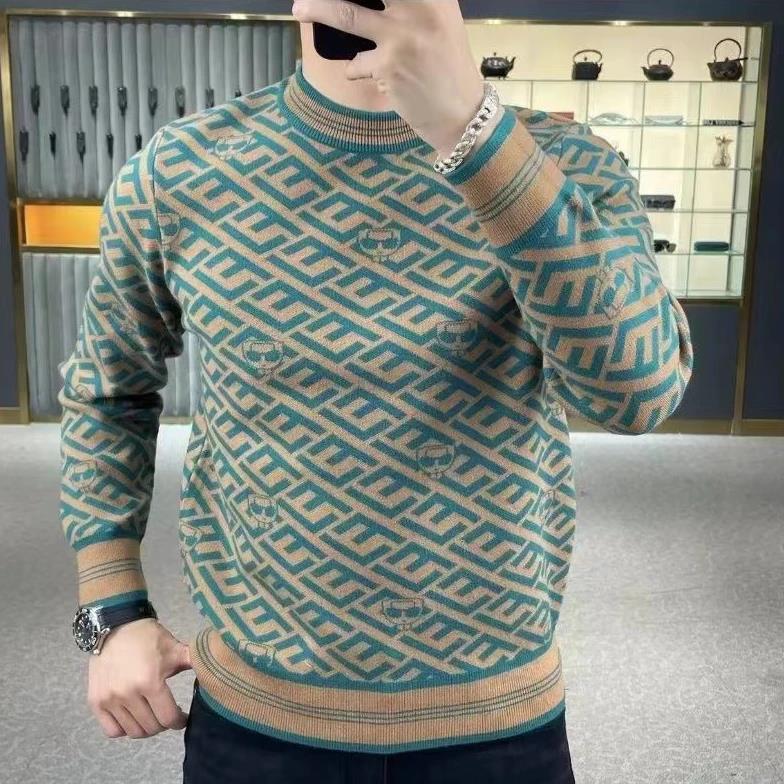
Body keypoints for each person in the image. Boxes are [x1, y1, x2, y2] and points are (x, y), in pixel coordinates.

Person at [58, 2, 694, 783]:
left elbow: (636, 395)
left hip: (496, 722)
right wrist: (111, 608)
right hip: (257, 718)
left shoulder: (566, 163)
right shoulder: (182, 170)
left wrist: (474, 133)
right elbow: (109, 390)